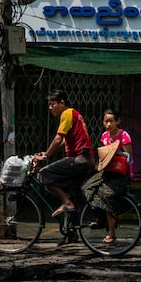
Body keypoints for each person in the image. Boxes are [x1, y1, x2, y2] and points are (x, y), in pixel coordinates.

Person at [33, 90, 93, 235]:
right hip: (85, 158)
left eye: (52, 104)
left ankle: (66, 203)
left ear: (62, 103)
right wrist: (46, 153)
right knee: (72, 192)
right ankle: (71, 233)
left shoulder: (67, 114)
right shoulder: (74, 114)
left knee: (44, 173)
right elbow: (63, 143)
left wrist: (46, 156)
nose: (50, 108)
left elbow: (58, 139)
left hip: (79, 158)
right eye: (48, 105)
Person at [82, 109, 133, 245]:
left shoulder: (123, 135)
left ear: (118, 121)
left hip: (121, 173)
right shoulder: (104, 136)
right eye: (106, 121)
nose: (109, 124)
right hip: (107, 171)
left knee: (106, 195)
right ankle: (100, 218)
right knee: (87, 188)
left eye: (111, 121)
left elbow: (128, 157)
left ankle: (111, 232)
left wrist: (116, 154)